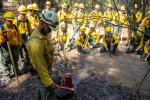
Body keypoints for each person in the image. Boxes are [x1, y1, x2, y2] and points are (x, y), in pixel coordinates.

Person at [27, 11, 58, 100]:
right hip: (42, 75)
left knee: (42, 94)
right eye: (49, 28)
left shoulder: (42, 34)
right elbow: (40, 67)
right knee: (48, 94)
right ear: (42, 23)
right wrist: (49, 83)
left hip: (45, 72)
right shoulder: (35, 43)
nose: (50, 31)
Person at [0, 12, 22, 79]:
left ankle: (16, 70)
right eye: (9, 20)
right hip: (6, 46)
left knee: (16, 57)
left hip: (15, 45)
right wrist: (4, 38)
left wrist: (19, 43)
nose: (11, 22)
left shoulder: (15, 26)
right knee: (6, 59)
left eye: (12, 20)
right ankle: (7, 74)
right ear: (4, 20)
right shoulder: (2, 28)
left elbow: (19, 35)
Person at [14, 5, 32, 71]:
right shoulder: (15, 21)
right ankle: (22, 64)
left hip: (25, 37)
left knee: (28, 51)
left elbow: (30, 31)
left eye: (24, 14)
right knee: (20, 52)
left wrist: (31, 38)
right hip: (18, 38)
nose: (23, 15)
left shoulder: (27, 21)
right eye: (22, 14)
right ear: (19, 13)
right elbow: (14, 31)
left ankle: (28, 63)